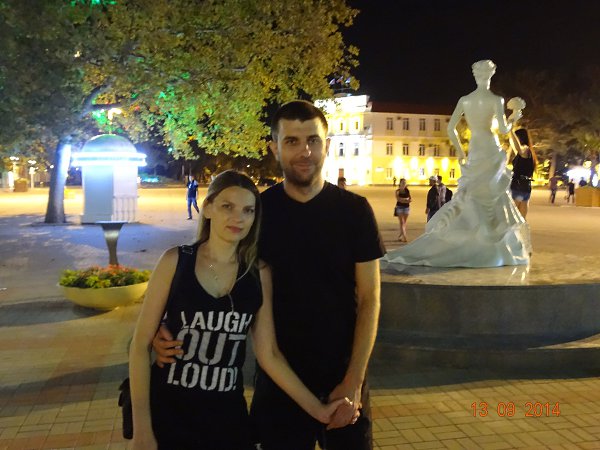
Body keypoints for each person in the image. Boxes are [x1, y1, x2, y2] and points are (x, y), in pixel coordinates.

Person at [153, 101, 385, 450]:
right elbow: (215, 270)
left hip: (343, 376)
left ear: (326, 144)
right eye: (292, 141)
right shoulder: (258, 214)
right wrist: (164, 326)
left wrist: (354, 379)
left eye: (313, 140)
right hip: (278, 382)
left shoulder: (355, 211)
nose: (304, 151)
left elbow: (370, 299)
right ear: (274, 147)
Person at [130, 170, 347, 450]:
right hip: (170, 414)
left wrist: (319, 410)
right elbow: (139, 345)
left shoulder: (258, 273)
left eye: (248, 210)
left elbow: (269, 355)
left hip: (227, 419)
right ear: (208, 208)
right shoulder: (176, 261)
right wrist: (142, 430)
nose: (238, 218)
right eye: (227, 206)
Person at [383, 60, 530, 268]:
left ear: (475, 76)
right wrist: (514, 117)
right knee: (491, 193)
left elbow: (451, 128)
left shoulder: (465, 100)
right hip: (490, 147)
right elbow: (504, 130)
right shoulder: (496, 99)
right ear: (491, 75)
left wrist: (460, 152)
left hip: (476, 148)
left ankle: (478, 238)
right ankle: (491, 244)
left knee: (473, 192)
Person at [509, 128, 537, 219]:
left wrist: (510, 130)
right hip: (526, 188)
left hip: (518, 187)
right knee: (522, 220)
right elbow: (515, 147)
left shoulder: (525, 149)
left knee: (513, 218)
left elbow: (519, 149)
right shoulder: (528, 152)